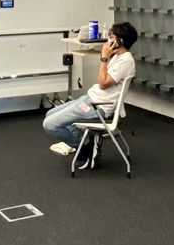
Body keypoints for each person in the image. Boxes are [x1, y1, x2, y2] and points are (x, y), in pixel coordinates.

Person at [45, 22, 138, 156]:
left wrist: (104, 58)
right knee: (50, 114)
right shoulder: (118, 56)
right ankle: (85, 141)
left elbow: (102, 83)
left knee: (49, 124)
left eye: (112, 37)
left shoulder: (125, 61)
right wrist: (107, 57)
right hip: (90, 100)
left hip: (97, 107)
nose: (108, 40)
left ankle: (85, 145)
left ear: (120, 41)